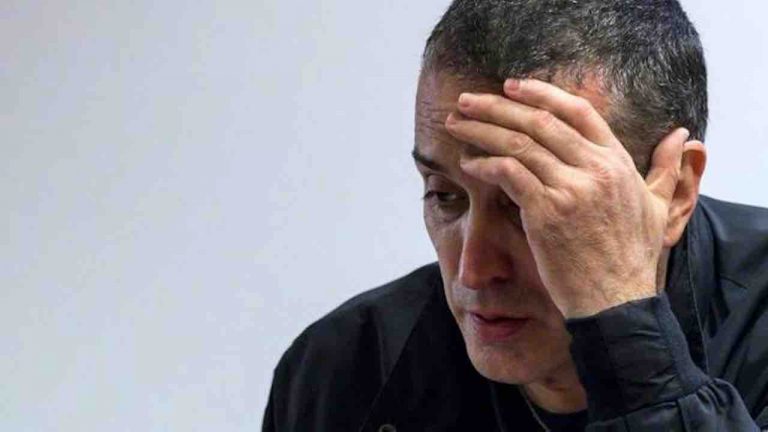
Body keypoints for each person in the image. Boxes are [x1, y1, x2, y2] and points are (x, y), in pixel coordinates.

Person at [263, 0, 768, 430]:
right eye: (444, 196)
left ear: (676, 191)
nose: (473, 271)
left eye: (529, 201)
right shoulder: (344, 371)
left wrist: (624, 321)